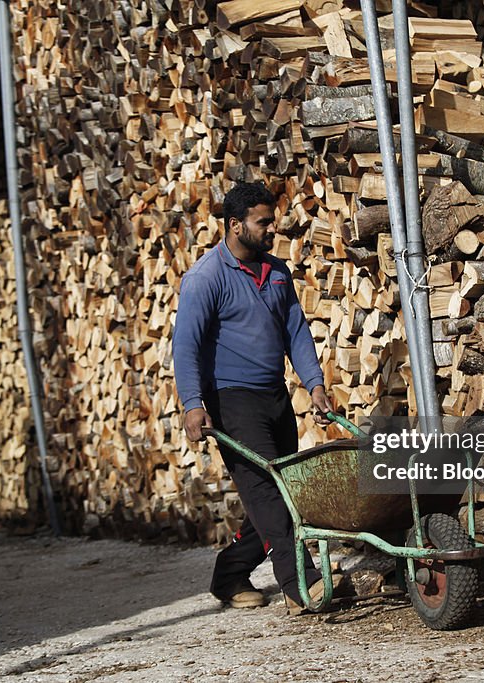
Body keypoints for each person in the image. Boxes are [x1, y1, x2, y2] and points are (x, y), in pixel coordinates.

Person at [172, 181, 338, 615]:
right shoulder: (205, 278)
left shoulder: (278, 272)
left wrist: (315, 383)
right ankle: (300, 583)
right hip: (231, 401)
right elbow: (185, 345)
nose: (272, 228)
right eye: (263, 222)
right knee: (267, 493)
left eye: (273, 220)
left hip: (274, 397)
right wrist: (193, 403)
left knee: (280, 492)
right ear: (234, 225)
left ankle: (230, 573)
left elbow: (296, 332)